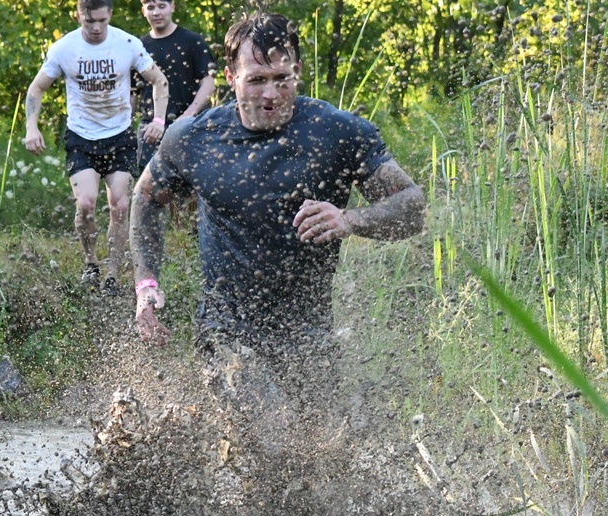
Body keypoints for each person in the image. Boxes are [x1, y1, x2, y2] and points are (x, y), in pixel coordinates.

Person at [129, 12, 425, 424]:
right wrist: (147, 284)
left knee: (325, 450)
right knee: (269, 427)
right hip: (226, 328)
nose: (271, 94)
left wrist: (351, 220)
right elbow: (145, 199)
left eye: (281, 78)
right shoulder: (196, 139)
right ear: (231, 78)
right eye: (256, 80)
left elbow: (412, 207)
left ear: (297, 72)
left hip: (308, 331)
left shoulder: (336, 133)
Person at [23, 0, 169, 296]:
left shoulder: (126, 43)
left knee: (120, 205)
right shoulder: (64, 48)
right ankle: (91, 263)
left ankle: (113, 274)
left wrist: (158, 120)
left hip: (119, 135)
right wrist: (31, 127)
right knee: (86, 204)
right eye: (89, 22)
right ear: (79, 16)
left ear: (110, 15)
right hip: (81, 137)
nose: (96, 28)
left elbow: (159, 80)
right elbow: (36, 88)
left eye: (101, 21)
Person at [133, 0, 216, 170]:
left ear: (172, 7)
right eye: (151, 8)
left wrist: (189, 114)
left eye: (161, 6)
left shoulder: (192, 41)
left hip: (191, 126)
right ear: (143, 11)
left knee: (195, 189)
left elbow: (209, 83)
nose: (156, 13)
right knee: (149, 192)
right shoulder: (139, 47)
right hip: (151, 131)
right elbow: (132, 92)